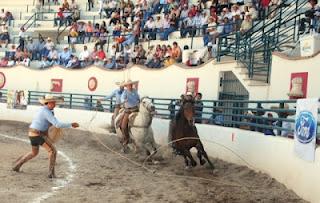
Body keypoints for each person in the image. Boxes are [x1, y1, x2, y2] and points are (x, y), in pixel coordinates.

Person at [12, 95, 79, 178]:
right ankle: (51, 173)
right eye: (53, 103)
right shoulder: (47, 112)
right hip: (38, 134)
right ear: (48, 103)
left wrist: (47, 136)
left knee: (34, 153)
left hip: (32, 133)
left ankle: (17, 166)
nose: (54, 104)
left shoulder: (43, 110)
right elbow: (57, 124)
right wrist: (71, 124)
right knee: (53, 151)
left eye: (54, 103)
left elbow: (48, 124)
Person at [120, 80, 140, 145]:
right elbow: (122, 98)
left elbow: (138, 98)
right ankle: (126, 138)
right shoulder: (125, 92)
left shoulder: (135, 91)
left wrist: (139, 100)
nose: (130, 86)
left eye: (131, 85)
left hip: (136, 109)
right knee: (123, 126)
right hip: (128, 110)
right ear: (126, 86)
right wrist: (124, 100)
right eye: (129, 85)